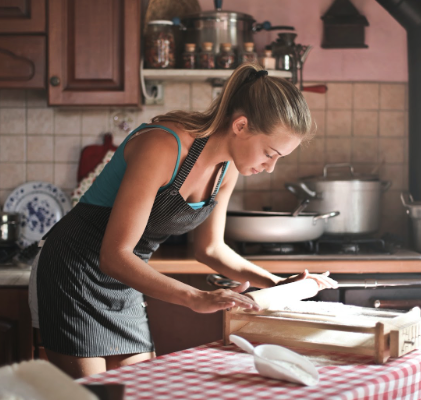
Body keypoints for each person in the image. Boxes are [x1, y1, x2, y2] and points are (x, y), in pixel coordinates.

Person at [28, 62, 338, 379]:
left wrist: (279, 285)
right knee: (91, 399)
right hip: (74, 269)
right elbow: (114, 255)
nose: (270, 167)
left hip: (126, 277)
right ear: (241, 126)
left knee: (135, 394)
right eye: (269, 153)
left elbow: (211, 250)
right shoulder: (164, 145)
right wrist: (195, 298)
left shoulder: (227, 169)